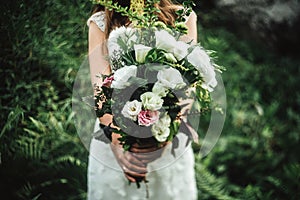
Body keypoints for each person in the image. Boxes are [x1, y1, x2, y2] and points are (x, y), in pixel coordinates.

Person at [87, 0, 198, 199]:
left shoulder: (182, 17)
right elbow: (100, 89)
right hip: (113, 132)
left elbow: (188, 86)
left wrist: (162, 136)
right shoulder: (102, 21)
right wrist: (120, 146)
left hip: (168, 134)